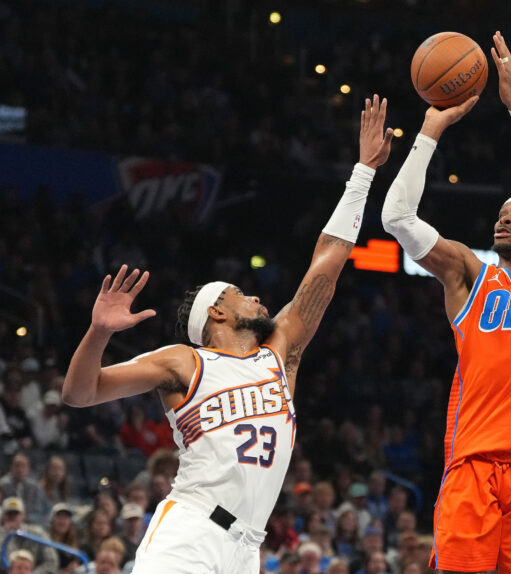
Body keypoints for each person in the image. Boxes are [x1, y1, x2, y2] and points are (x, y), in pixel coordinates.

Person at [62, 95, 394, 574]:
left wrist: (363, 173)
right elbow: (78, 394)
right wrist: (98, 332)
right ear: (216, 311)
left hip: (247, 548)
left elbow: (328, 259)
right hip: (191, 532)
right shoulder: (183, 361)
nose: (255, 297)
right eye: (240, 293)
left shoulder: (279, 352)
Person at [381, 31, 511, 574]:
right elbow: (396, 218)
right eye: (501, 213)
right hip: (472, 467)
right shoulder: (470, 275)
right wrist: (430, 129)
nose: (505, 218)